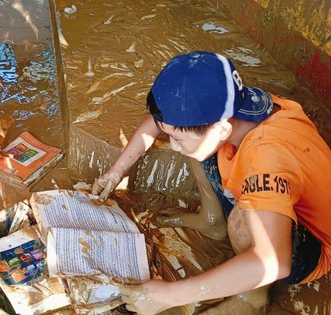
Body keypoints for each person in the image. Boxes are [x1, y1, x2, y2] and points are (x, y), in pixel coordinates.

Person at [92, 51, 331, 313]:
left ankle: (252, 298)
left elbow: (274, 261)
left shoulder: (266, 157)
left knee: (242, 221)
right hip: (270, 192)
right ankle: (212, 219)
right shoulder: (234, 104)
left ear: (222, 129)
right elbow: (160, 122)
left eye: (176, 137)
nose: (172, 144)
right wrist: (116, 171)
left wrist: (169, 295)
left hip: (310, 247)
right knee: (197, 146)